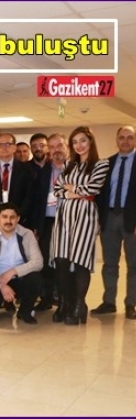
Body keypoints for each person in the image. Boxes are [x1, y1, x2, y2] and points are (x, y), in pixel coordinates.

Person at [50, 126, 109, 325]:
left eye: (83, 140)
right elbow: (57, 189)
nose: (79, 145)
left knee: (80, 261)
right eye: (75, 142)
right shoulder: (68, 164)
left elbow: (93, 188)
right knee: (61, 260)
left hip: (85, 215)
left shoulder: (101, 164)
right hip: (64, 214)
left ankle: (79, 306)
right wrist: (75, 192)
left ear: (90, 142)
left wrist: (70, 188)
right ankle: (64, 303)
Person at [94, 125, 136, 320]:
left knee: (133, 264)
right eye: (122, 137)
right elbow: (100, 194)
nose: (125, 141)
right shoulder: (107, 163)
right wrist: (99, 219)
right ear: (116, 140)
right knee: (110, 263)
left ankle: (130, 304)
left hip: (132, 219)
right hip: (109, 218)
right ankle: (109, 302)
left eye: (130, 137)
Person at [0, 203, 43, 324]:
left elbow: (38, 262)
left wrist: (13, 272)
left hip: (19, 278)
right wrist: (1, 285)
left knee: (36, 279)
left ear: (18, 219)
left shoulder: (27, 234)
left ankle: (24, 312)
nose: (8, 221)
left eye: (12, 217)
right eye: (4, 217)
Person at [30, 133, 68, 311]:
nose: (55, 150)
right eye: (51, 147)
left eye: (59, 146)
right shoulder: (44, 171)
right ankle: (46, 297)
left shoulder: (74, 169)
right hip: (46, 222)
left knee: (64, 263)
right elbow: (37, 200)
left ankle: (65, 300)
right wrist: (35, 227)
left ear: (67, 146)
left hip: (68, 223)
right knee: (45, 262)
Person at [0, 133, 34, 231]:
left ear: (14, 147)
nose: (4, 148)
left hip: (18, 223)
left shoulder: (26, 169)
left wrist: (17, 217)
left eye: (8, 144)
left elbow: (29, 196)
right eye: (0, 145)